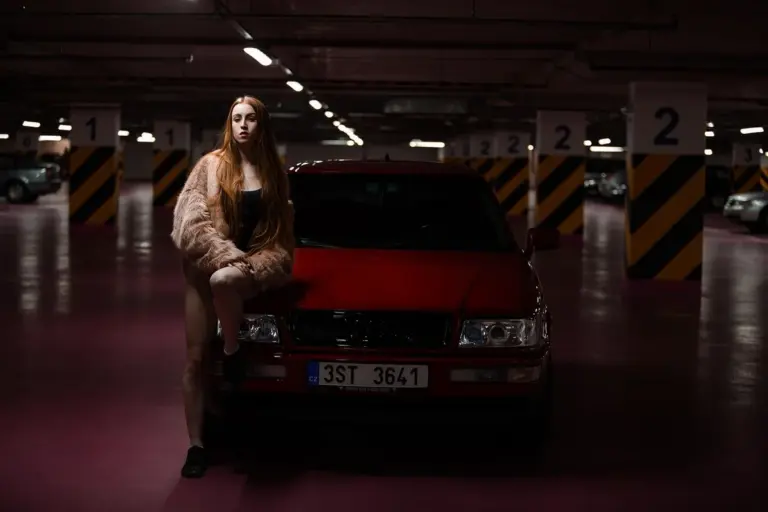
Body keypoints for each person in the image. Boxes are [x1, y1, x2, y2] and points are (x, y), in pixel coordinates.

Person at [170, 96, 295, 478]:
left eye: (251, 118)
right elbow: (188, 224)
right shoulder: (210, 166)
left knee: (225, 281)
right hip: (202, 270)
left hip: (245, 269)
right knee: (194, 360)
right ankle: (196, 446)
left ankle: (232, 348)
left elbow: (280, 238)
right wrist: (223, 252)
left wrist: (253, 264)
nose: (243, 125)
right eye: (237, 118)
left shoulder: (274, 172)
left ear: (262, 124)